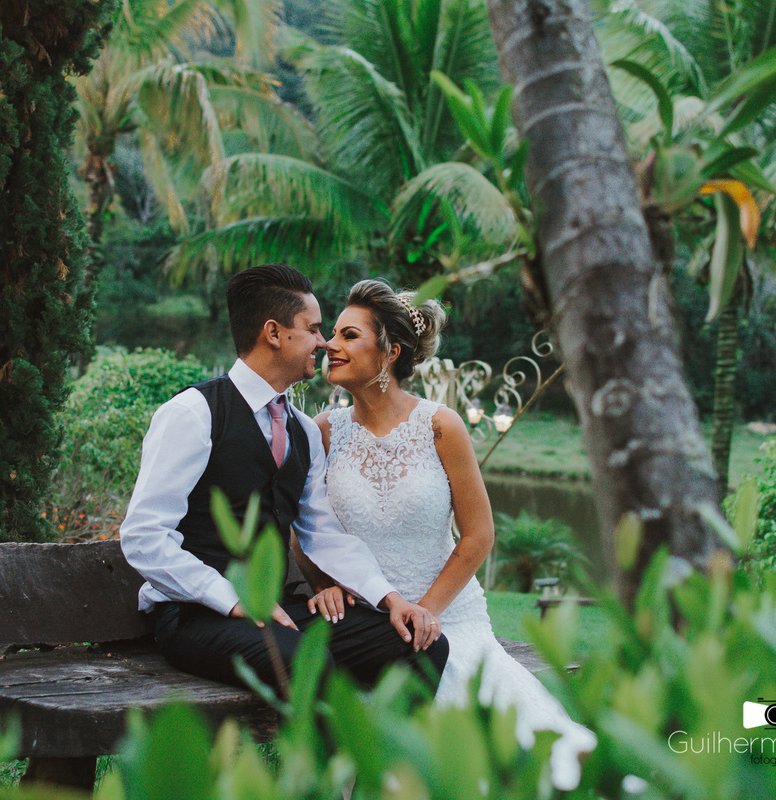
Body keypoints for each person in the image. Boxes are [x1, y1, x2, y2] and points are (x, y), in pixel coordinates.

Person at [293, 278, 596, 790]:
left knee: (490, 750)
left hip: (447, 617)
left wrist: (425, 611)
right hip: (364, 626)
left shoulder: (441, 426)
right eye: (332, 334)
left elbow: (479, 535)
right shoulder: (323, 431)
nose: (329, 344)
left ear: (389, 352)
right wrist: (324, 584)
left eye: (349, 335)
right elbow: (305, 528)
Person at [118, 264, 449, 695]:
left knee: (418, 645)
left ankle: (391, 742)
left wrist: (391, 599)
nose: (324, 342)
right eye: (313, 329)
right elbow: (143, 536)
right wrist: (232, 599)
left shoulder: (304, 431)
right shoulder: (192, 414)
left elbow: (323, 533)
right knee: (307, 661)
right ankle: (331, 741)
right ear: (274, 333)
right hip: (196, 613)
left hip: (277, 610)